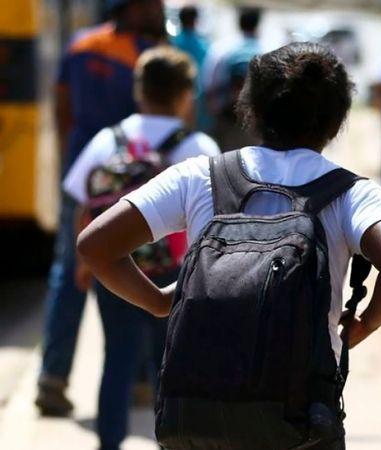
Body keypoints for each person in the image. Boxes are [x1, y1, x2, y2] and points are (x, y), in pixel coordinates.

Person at [76, 42, 381, 449]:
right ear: (336, 121)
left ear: (252, 110)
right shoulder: (352, 193)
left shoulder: (197, 176)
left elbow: (95, 245)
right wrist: (367, 322)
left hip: (198, 413)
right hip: (300, 418)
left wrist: (157, 301)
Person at [63, 46, 220, 450]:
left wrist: (85, 265)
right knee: (170, 368)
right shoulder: (198, 146)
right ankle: (167, 441)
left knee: (116, 358)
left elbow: (84, 203)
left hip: (117, 270)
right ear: (187, 94)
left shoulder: (109, 139)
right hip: (176, 273)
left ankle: (109, 443)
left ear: (139, 91)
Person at [36, 0, 165, 417]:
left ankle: (52, 378)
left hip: (83, 172)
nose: (160, 8)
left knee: (68, 274)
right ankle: (140, 382)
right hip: (130, 183)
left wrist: (68, 165)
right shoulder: (146, 55)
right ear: (132, 7)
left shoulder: (80, 45)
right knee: (138, 269)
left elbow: (62, 109)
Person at [203, 6, 263, 151]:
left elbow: (208, 85)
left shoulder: (221, 49)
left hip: (226, 118)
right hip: (255, 121)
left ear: (238, 23)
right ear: (258, 24)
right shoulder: (266, 50)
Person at [172, 4, 211, 130]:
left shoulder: (172, 43)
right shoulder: (204, 45)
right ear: (196, 20)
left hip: (174, 96)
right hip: (198, 99)